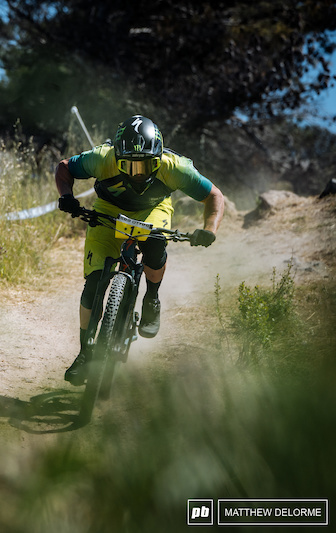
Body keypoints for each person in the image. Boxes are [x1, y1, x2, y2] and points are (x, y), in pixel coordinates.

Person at [55, 115, 224, 385]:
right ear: (116, 158)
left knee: (156, 247)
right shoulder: (102, 158)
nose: (138, 174)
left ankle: (151, 298)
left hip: (152, 210)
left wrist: (209, 229)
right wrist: (66, 197)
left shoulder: (175, 168)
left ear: (158, 160)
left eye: (146, 166)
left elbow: (213, 196)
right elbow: (64, 168)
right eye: (129, 166)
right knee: (93, 284)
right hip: (108, 210)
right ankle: (85, 354)